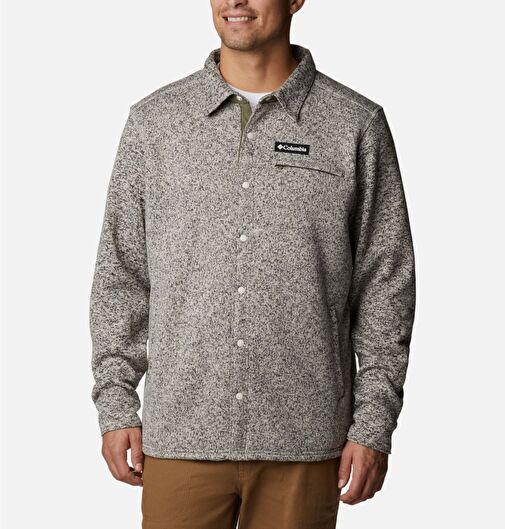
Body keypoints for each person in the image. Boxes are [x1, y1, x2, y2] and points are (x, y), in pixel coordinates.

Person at [89, 0, 416, 527]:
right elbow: (121, 275)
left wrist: (374, 422)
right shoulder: (155, 123)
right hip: (181, 435)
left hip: (306, 440)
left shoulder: (355, 124)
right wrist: (116, 402)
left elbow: (386, 283)